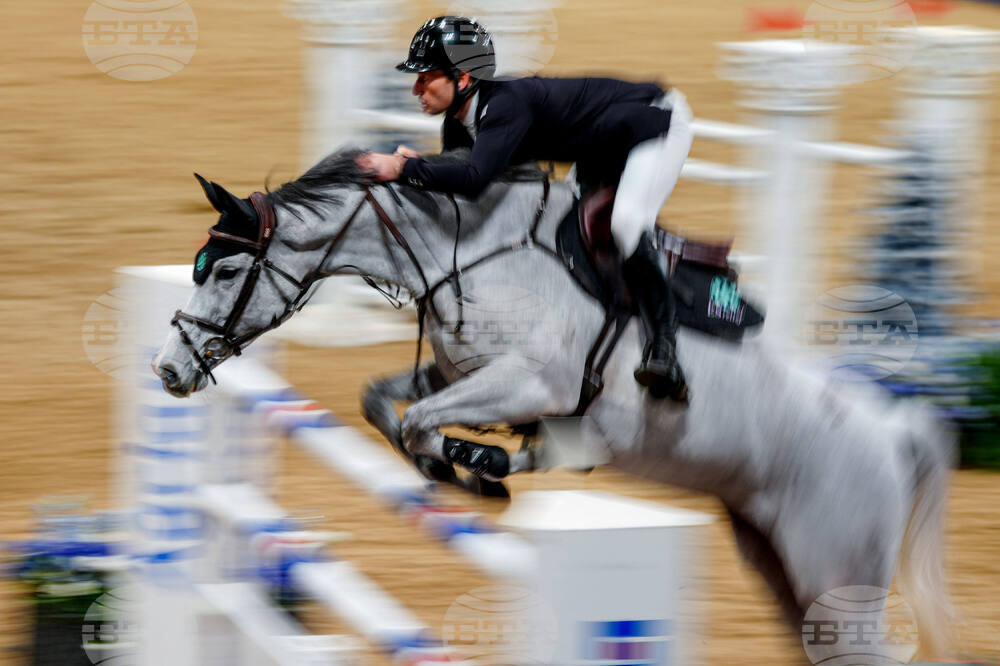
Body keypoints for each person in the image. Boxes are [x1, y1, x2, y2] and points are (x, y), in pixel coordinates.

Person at [358, 16, 694, 403]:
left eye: (425, 77)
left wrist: (403, 168)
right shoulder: (458, 123)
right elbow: (460, 181)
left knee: (627, 223)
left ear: (462, 79)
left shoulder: (505, 106)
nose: (416, 88)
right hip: (601, 147)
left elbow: (473, 179)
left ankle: (666, 352)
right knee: (565, 229)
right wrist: (418, 166)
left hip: (653, 124)